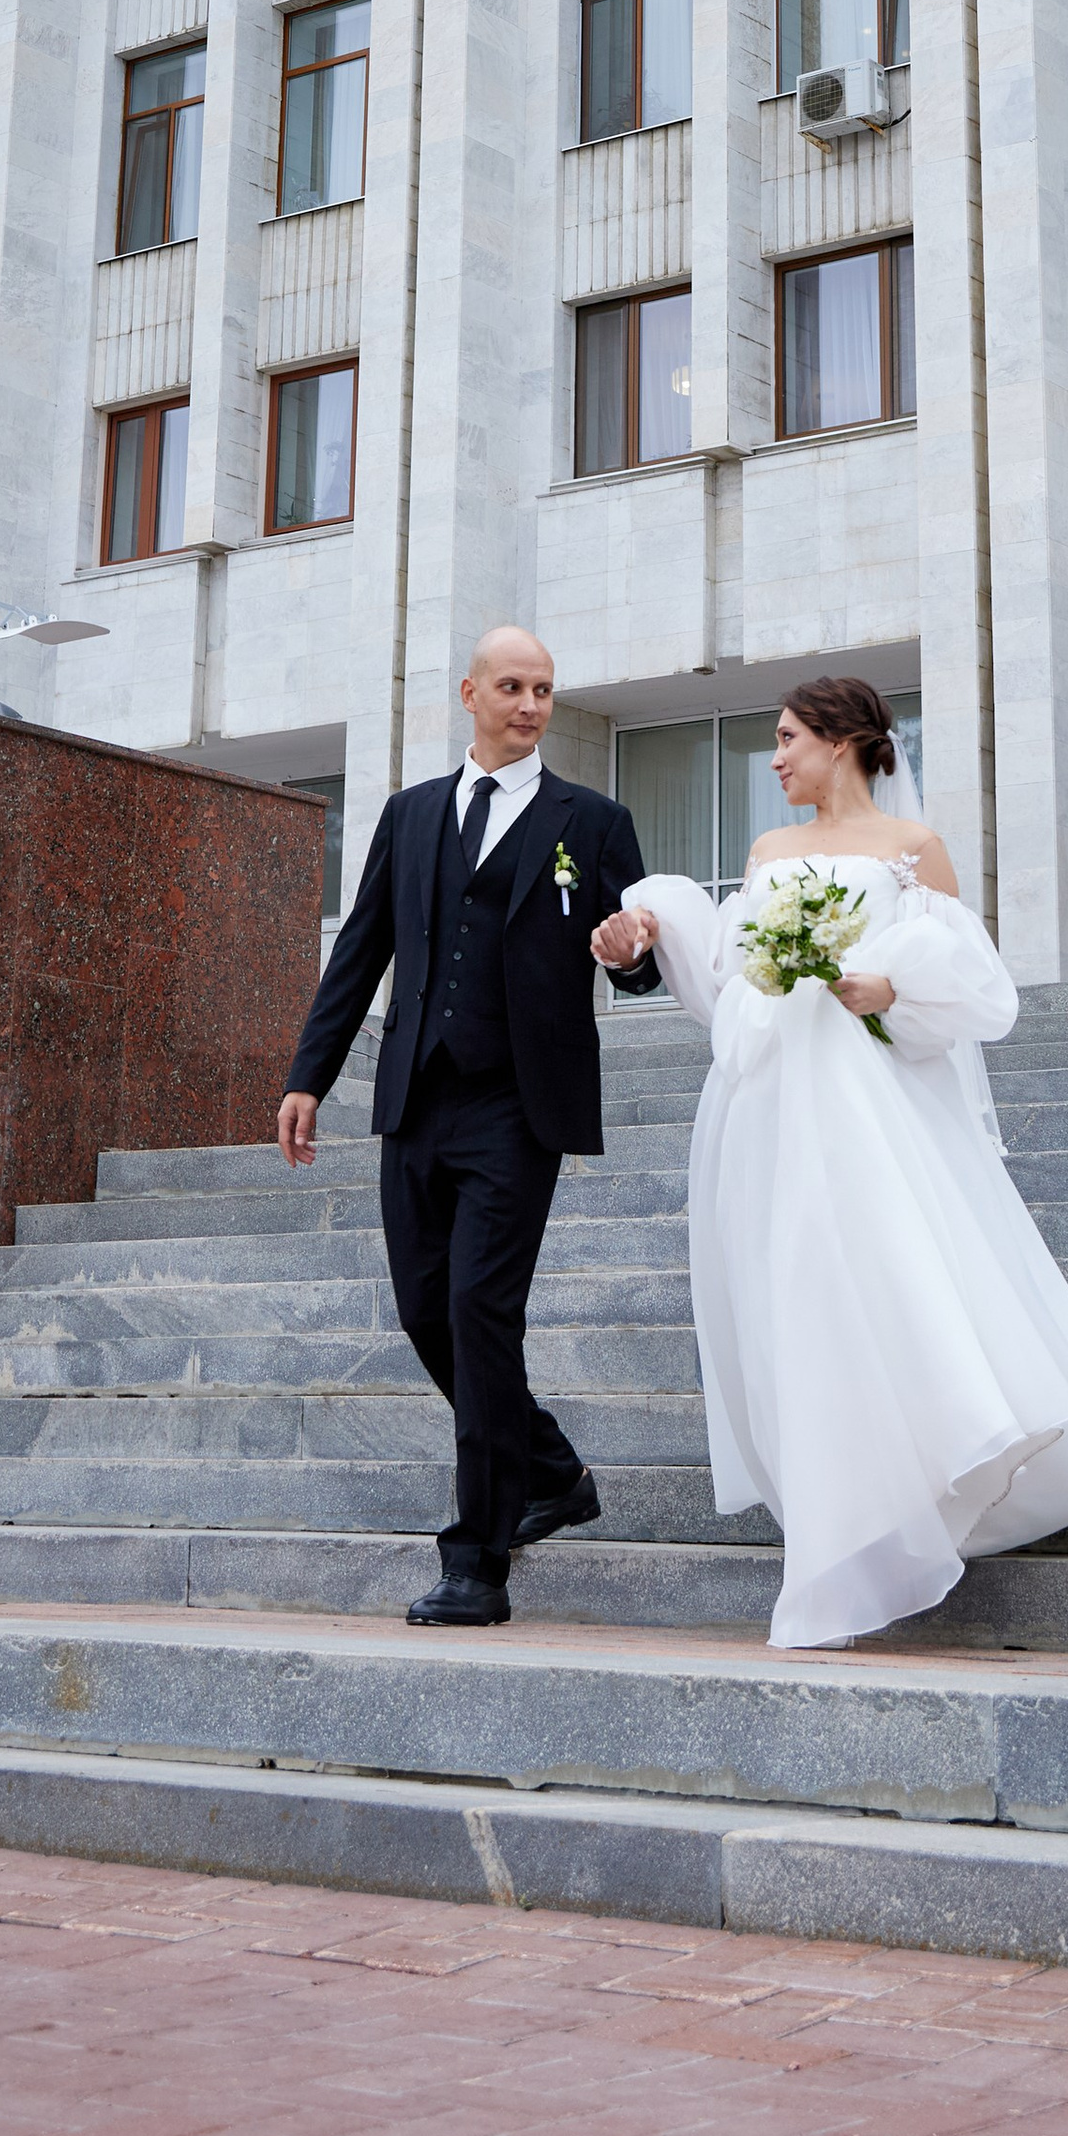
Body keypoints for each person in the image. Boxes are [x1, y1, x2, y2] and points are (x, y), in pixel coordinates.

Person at [591, 676, 1068, 1651]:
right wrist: (652, 926)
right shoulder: (766, 854)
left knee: (882, 1289)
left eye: (787, 738)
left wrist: (886, 985)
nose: (775, 757)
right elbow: (730, 984)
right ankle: (845, 1509)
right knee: (798, 1301)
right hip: (768, 1114)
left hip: (867, 1110)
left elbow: (971, 989)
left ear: (839, 741)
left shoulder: (912, 852)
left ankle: (890, 1508)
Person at [278, 625, 647, 1626]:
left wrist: (624, 951)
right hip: (416, 1097)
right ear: (470, 692)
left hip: (520, 1106)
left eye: (545, 690)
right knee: (425, 1312)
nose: (531, 705)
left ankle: (476, 1561)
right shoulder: (407, 815)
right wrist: (310, 1074)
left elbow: (639, 957)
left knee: (483, 1315)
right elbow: (359, 951)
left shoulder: (593, 822)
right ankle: (551, 1469)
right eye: (514, 687)